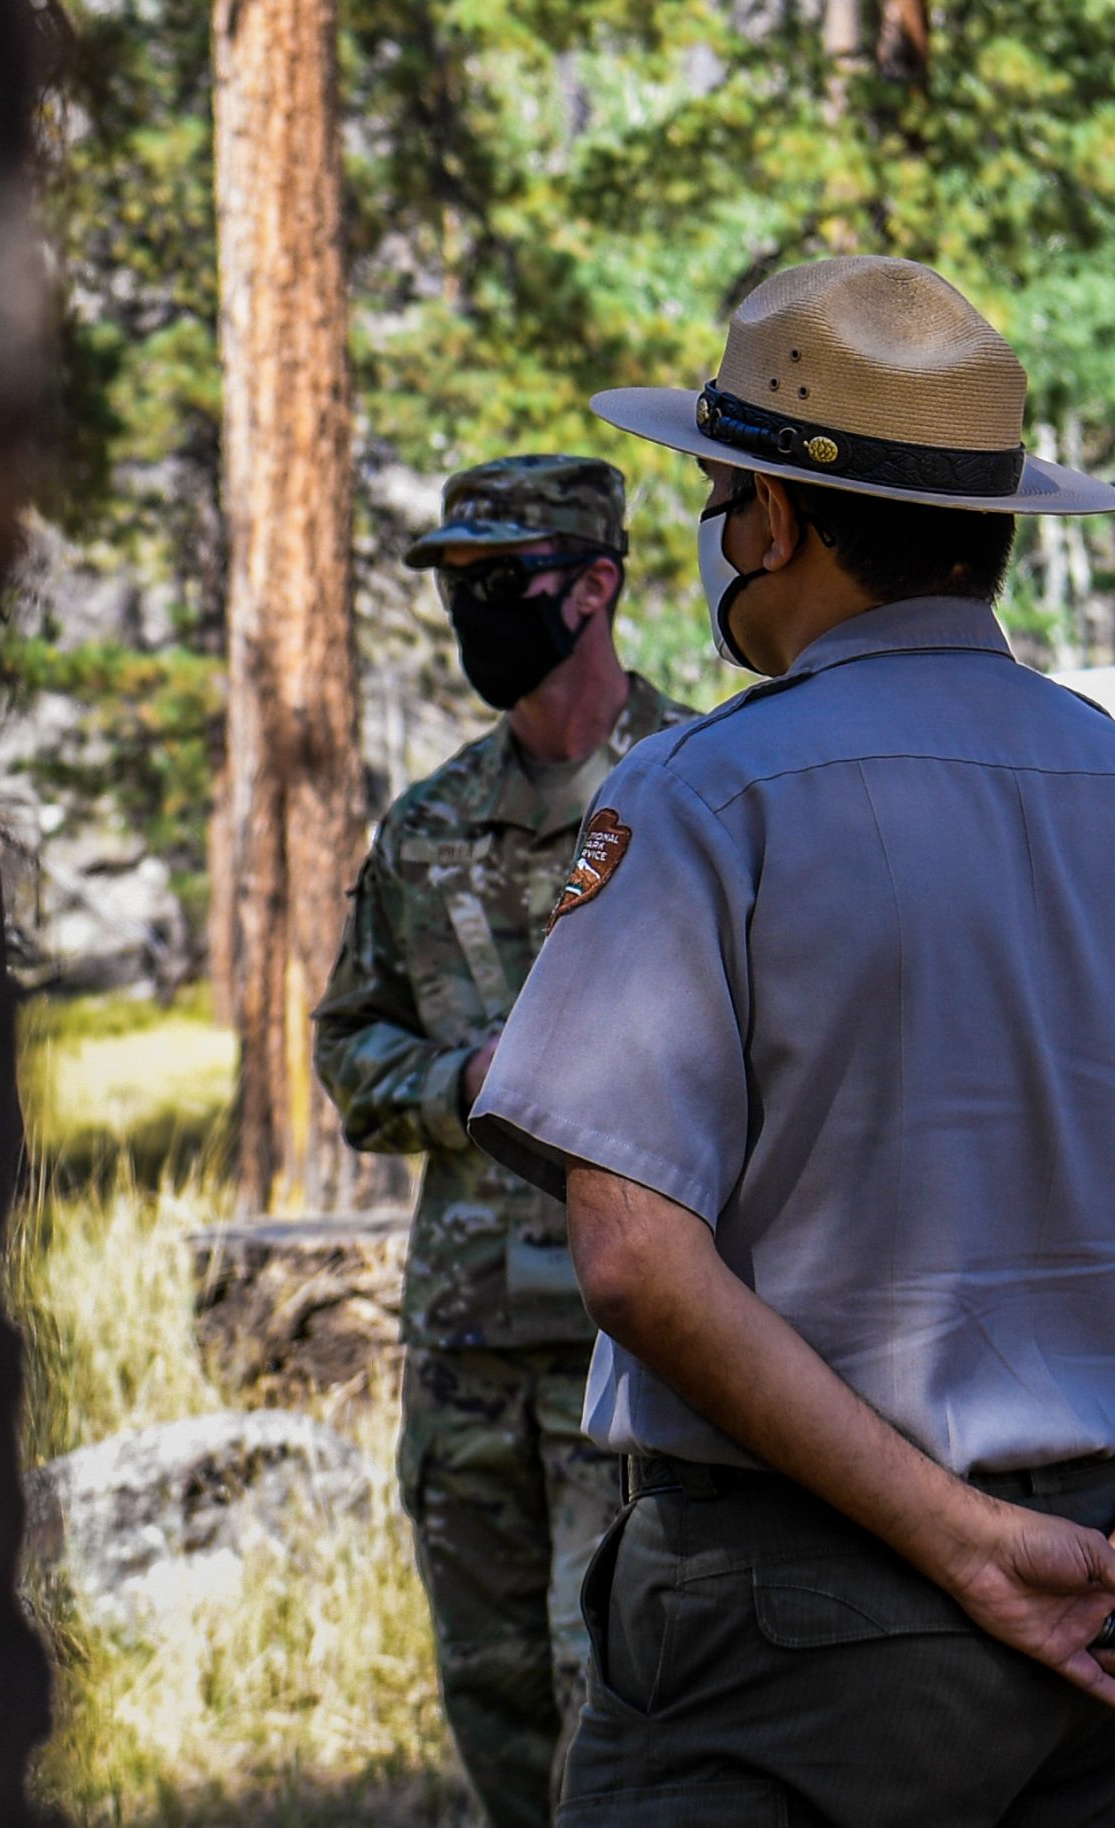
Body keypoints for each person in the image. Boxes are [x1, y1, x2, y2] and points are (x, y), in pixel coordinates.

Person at [463, 255, 1115, 1827]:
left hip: (794, 1627)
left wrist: (965, 1543)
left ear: (770, 521)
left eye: (721, 494)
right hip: (1104, 1636)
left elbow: (631, 1254)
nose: (718, 533)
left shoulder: (702, 799)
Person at [313, 454, 698, 1828]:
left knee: (621, 1695)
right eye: (455, 586)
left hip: (650, 1349)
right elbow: (349, 1049)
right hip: (471, 1341)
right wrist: (462, 1080)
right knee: (493, 1693)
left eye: (501, 582)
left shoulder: (704, 789)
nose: (473, 611)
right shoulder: (427, 830)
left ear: (596, 587)